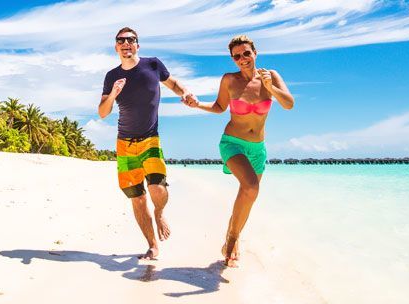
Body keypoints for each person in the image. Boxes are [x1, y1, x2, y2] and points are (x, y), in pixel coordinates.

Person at [190, 35, 294, 267]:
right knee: (250, 186)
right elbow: (219, 107)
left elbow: (289, 104)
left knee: (248, 196)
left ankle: (233, 233)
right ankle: (232, 240)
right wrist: (197, 104)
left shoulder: (271, 76)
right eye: (236, 56)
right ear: (233, 60)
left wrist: (270, 88)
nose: (242, 59)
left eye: (246, 53)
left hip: (258, 147)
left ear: (255, 53)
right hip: (232, 143)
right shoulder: (229, 80)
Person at [98, 27, 198, 260]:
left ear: (137, 45)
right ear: (116, 47)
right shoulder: (111, 76)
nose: (126, 43)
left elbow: (173, 84)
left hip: (150, 138)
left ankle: (160, 211)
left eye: (130, 40)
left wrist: (185, 93)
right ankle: (153, 245)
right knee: (137, 197)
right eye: (121, 40)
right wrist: (113, 94)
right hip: (124, 143)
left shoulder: (152, 65)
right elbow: (103, 112)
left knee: (156, 188)